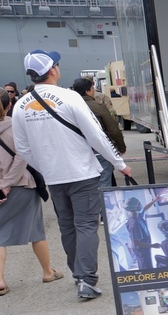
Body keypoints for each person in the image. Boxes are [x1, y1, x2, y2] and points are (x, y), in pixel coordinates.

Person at [12, 49, 133, 301]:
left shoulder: (21, 105)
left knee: (67, 226)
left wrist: (45, 166)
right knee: (87, 224)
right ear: (53, 69)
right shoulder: (69, 97)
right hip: (82, 171)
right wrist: (119, 163)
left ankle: (78, 274)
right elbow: (96, 135)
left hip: (54, 177)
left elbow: (22, 149)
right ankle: (87, 280)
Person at [0, 90, 63, 295]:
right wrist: (7, 183)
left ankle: (0, 280)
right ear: (9, 105)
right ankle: (47, 272)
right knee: (36, 230)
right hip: (22, 185)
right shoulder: (15, 127)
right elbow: (22, 157)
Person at [71, 76, 127, 189]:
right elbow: (113, 128)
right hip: (100, 150)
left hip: (77, 152)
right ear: (88, 90)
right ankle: (104, 205)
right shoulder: (98, 106)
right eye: (92, 88)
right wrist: (121, 147)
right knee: (104, 183)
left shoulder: (68, 107)